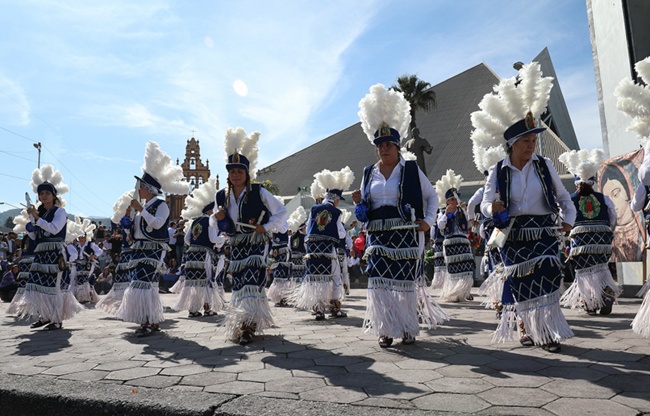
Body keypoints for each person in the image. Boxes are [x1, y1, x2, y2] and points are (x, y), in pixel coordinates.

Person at [353, 83, 448, 348]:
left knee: (404, 285)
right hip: (378, 237)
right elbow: (362, 215)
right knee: (380, 284)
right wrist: (358, 203)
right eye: (380, 145)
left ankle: (406, 326)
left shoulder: (410, 169)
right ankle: (384, 328)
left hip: (405, 237)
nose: (384, 149)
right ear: (376, 148)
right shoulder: (368, 173)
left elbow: (431, 197)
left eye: (389, 145)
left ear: (397, 146)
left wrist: (428, 222)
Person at [480, 120, 576, 353]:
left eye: (533, 141)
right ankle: (525, 326)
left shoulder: (544, 165)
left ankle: (546, 331)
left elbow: (563, 196)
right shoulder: (498, 169)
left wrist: (568, 221)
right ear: (512, 144)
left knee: (548, 275)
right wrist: (493, 208)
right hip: (511, 231)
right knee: (521, 282)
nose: (531, 146)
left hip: (543, 228)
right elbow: (483, 204)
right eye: (526, 141)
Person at [213, 127, 287, 345]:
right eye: (232, 171)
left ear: (247, 173)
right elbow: (218, 224)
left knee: (252, 282)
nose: (236, 175)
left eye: (240, 171)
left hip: (256, 242)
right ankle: (242, 321)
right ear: (228, 174)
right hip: (236, 243)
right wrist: (218, 217)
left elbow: (281, 211)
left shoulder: (258, 191)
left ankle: (248, 326)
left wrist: (267, 226)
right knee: (238, 283)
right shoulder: (221, 195)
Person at [116, 141, 190, 337]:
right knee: (146, 285)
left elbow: (158, 224)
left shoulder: (161, 205)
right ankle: (151, 320)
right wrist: (128, 221)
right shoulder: (145, 207)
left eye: (140, 186)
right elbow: (134, 232)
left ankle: (147, 320)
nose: (138, 189)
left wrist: (140, 211)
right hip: (140, 250)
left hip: (154, 250)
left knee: (143, 284)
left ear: (148, 188)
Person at [14, 165, 83, 331]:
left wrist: (37, 219)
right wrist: (30, 229)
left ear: (54, 196)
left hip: (54, 253)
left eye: (47, 193)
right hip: (41, 253)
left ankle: (56, 319)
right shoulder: (41, 213)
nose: (44, 196)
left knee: (53, 287)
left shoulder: (60, 212)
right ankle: (44, 316)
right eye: (41, 193)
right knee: (38, 286)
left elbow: (54, 229)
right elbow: (36, 236)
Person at [558, 149, 619, 315]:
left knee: (584, 271)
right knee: (601, 267)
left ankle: (590, 303)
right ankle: (606, 291)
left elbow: (564, 219)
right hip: (602, 239)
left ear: (576, 182)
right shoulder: (603, 198)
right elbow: (613, 215)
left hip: (581, 242)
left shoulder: (570, 199)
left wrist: (564, 234)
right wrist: (607, 229)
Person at [292, 168, 355, 320]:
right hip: (328, 249)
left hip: (312, 249)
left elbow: (308, 228)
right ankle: (334, 308)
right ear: (337, 199)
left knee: (316, 278)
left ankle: (318, 309)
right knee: (335, 278)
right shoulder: (336, 212)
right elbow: (340, 233)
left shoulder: (314, 208)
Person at [173, 177, 226, 318]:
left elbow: (186, 239)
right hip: (205, 256)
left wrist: (195, 246)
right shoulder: (211, 221)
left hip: (192, 256)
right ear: (210, 210)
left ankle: (193, 309)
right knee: (207, 281)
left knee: (194, 283)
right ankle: (207, 308)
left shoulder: (195, 221)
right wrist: (223, 239)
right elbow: (212, 239)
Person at [436, 170, 475, 302]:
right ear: (447, 201)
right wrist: (446, 214)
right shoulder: (442, 212)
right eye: (451, 199)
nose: (454, 201)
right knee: (454, 269)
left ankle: (464, 291)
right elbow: (440, 226)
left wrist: (465, 210)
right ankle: (454, 293)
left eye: (455, 198)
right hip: (451, 243)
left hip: (463, 242)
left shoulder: (461, 210)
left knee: (466, 267)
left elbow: (469, 224)